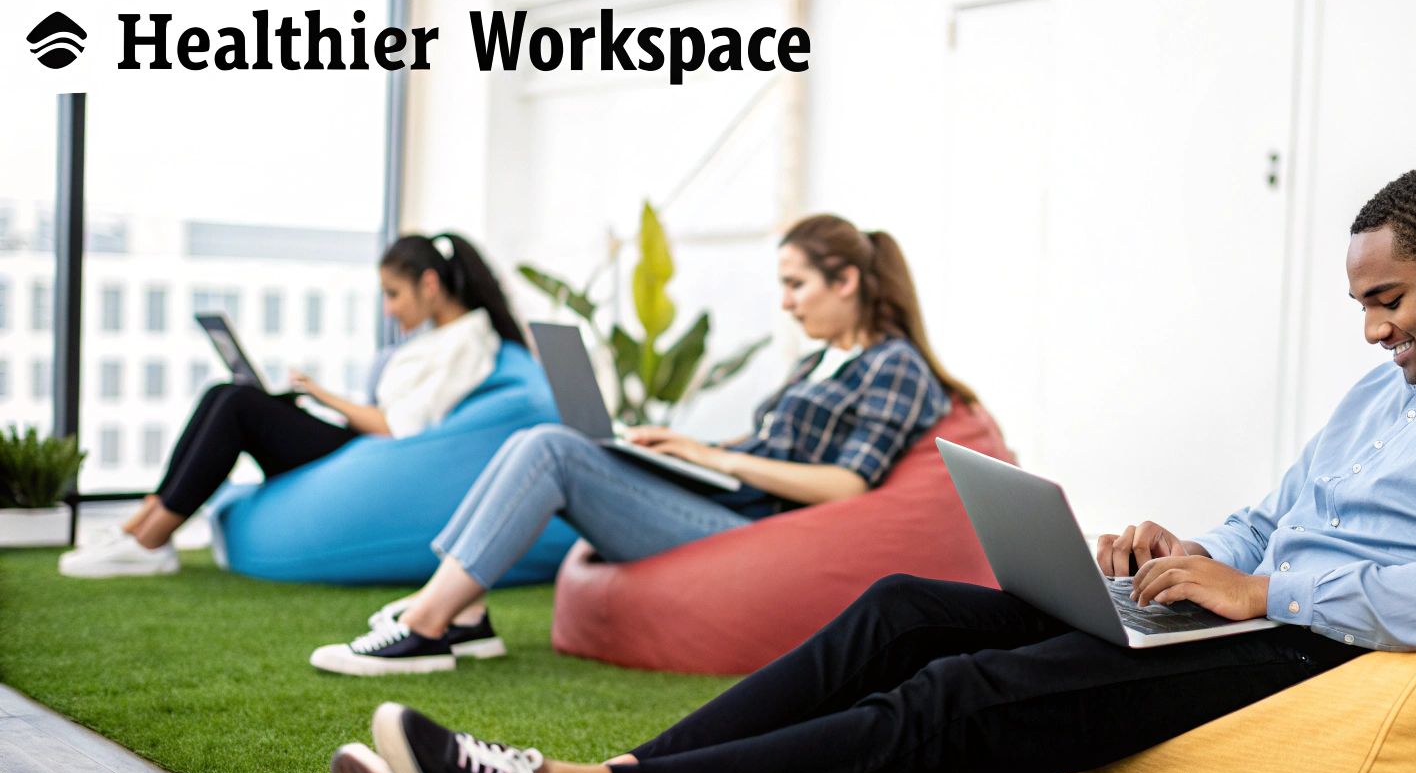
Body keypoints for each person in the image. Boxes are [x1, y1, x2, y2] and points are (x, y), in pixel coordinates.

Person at [328, 167, 1416, 773]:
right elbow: (1279, 507)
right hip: (1249, 605)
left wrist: (1260, 584)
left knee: (967, 698)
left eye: (1391, 300)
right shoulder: (1389, 390)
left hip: (1321, 647)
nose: (1372, 330)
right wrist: (1179, 550)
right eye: (1361, 304)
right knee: (906, 603)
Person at [309, 213, 975, 675]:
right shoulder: (819, 362)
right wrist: (682, 446)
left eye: (795, 285)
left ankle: (427, 627)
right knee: (550, 439)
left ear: (847, 282)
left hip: (755, 530)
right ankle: (467, 612)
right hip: (733, 502)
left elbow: (849, 485)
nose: (786, 304)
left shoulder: (895, 366)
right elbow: (769, 444)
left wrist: (720, 459)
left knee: (550, 449)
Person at [58, 233, 525, 580]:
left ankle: (153, 541)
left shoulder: (469, 340)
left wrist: (321, 394)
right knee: (224, 393)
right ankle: (138, 526)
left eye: (393, 294)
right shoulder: (440, 337)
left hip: (369, 452)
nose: (388, 309)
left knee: (240, 404)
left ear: (429, 283)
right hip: (358, 446)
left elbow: (398, 426)